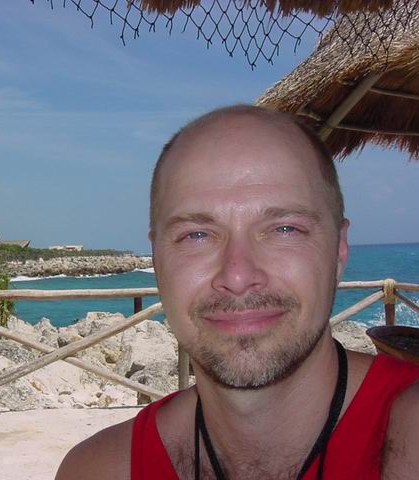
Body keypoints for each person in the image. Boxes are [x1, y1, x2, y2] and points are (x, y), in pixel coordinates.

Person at [55, 105, 419, 479]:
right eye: (196, 235)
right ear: (157, 258)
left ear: (339, 250)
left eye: (284, 229)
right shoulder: (99, 470)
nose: (238, 275)